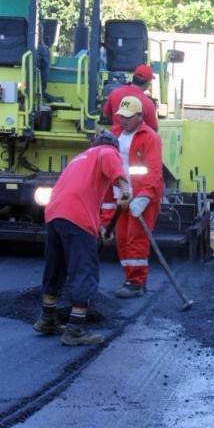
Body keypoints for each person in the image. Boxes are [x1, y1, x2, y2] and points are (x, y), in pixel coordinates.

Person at [33, 131, 131, 346]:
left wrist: (101, 229)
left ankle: (47, 319)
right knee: (85, 271)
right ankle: (75, 330)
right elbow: (113, 166)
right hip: (76, 218)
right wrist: (125, 189)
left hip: (55, 214)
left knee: (56, 268)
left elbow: (81, 195)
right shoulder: (106, 151)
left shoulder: (80, 159)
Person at [110, 97, 164, 298]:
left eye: (128, 117)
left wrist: (144, 197)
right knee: (123, 239)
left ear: (140, 116)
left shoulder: (150, 138)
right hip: (123, 196)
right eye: (122, 116)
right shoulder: (115, 133)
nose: (124, 121)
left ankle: (136, 282)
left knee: (136, 239)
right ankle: (131, 279)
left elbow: (154, 171)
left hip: (141, 198)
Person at [0, 0, 57, 101]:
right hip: (23, 52)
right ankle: (41, 90)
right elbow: (38, 26)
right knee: (45, 53)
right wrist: (42, 44)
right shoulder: (29, 1)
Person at [102, 64, 159, 130]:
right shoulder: (148, 103)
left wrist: (119, 123)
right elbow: (153, 129)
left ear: (134, 77)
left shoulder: (115, 93)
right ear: (148, 82)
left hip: (116, 137)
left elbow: (106, 115)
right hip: (136, 139)